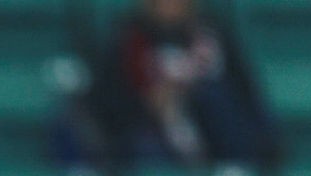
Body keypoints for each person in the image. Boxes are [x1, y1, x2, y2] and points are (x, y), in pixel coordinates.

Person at [86, 0, 278, 167]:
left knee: (217, 99)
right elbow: (107, 106)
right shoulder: (128, 41)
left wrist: (191, 93)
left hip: (212, 139)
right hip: (153, 142)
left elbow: (246, 98)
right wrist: (150, 103)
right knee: (145, 150)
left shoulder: (214, 35)